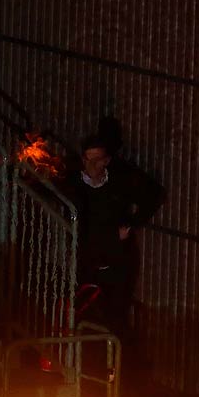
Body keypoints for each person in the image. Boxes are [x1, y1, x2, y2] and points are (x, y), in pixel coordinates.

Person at [71, 135, 160, 336]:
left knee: (116, 318)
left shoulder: (118, 184)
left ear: (106, 161)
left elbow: (155, 194)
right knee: (85, 316)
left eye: (97, 160)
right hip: (88, 264)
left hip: (117, 265)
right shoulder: (75, 185)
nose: (91, 165)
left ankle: (115, 362)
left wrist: (132, 224)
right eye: (87, 159)